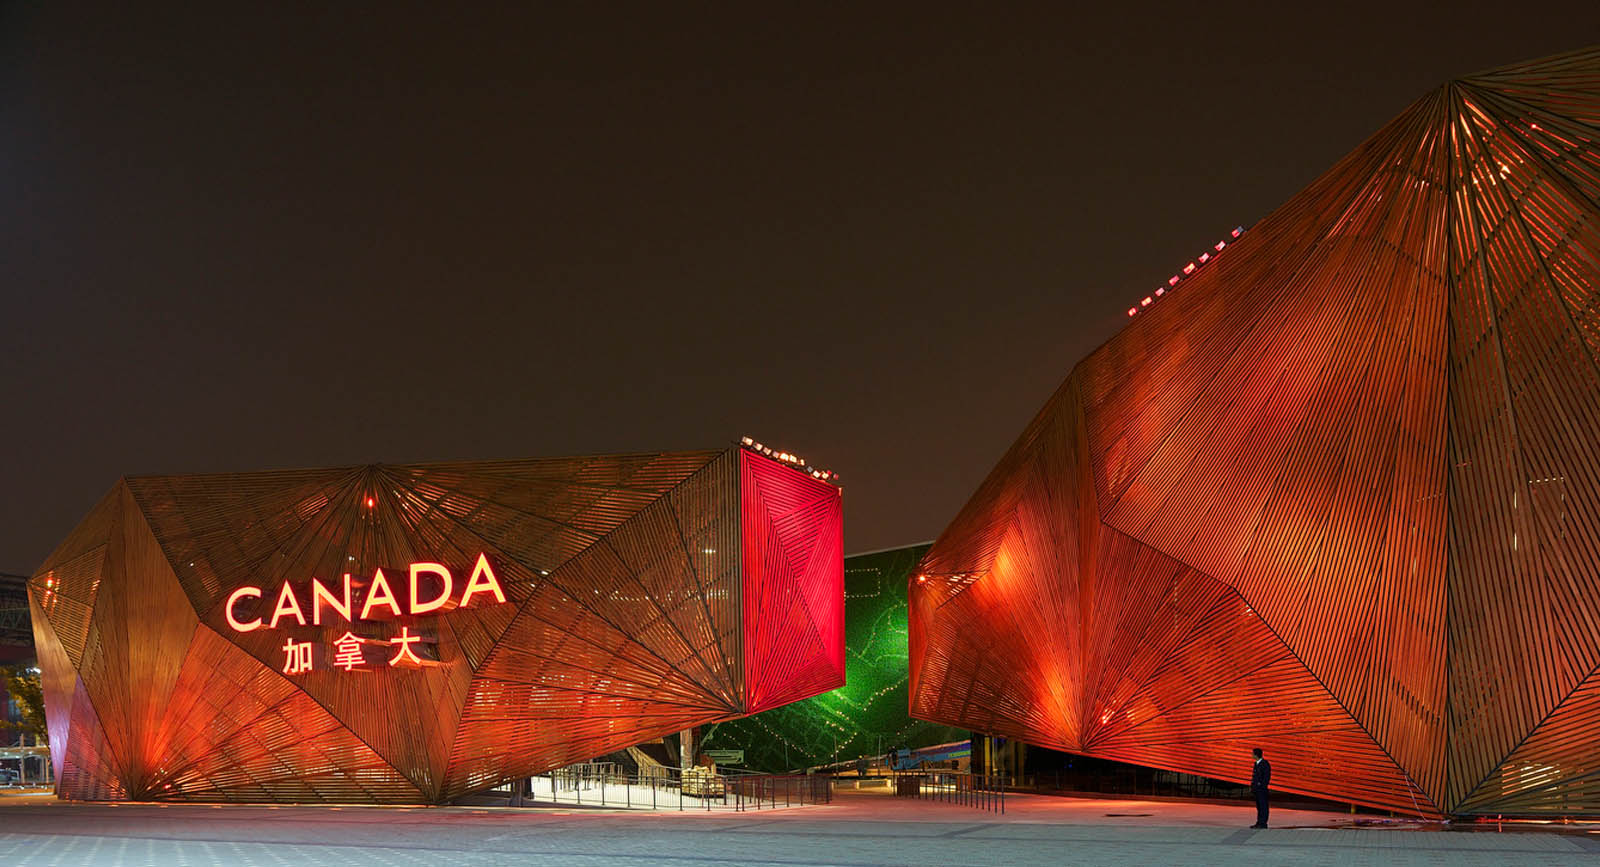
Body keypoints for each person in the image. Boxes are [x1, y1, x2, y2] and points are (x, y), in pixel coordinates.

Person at [1250, 747, 1271, 829]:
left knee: (1263, 806)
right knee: (1259, 807)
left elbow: (1266, 777)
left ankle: (1263, 823)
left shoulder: (1265, 764)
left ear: (1256, 755)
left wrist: (1261, 785)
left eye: (1253, 754)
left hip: (1262, 790)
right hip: (1257, 790)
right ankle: (1259, 822)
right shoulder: (1256, 764)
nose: (1252, 755)